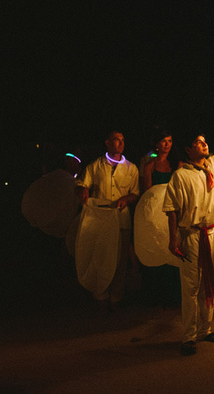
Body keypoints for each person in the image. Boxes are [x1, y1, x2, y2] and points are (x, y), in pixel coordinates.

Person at [163, 100, 214, 356]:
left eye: (204, 140)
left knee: (212, 283)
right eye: (198, 142)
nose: (204, 143)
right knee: (191, 287)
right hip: (191, 236)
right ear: (188, 150)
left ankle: (205, 329)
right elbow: (172, 209)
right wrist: (173, 239)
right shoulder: (180, 176)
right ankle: (189, 336)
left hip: (213, 233)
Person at [76, 130, 140, 311]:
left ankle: (116, 298)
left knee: (119, 261)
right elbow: (81, 183)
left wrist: (125, 199)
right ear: (107, 143)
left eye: (122, 140)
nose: (120, 143)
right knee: (101, 258)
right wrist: (83, 190)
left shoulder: (131, 168)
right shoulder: (95, 166)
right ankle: (101, 295)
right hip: (100, 221)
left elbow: (135, 192)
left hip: (121, 220)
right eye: (116, 140)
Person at [141, 129, 182, 307]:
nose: (167, 145)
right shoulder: (149, 166)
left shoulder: (177, 164)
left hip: (174, 211)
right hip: (157, 213)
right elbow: (148, 194)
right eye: (164, 141)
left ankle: (176, 295)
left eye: (170, 141)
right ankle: (157, 296)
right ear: (157, 144)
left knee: (175, 249)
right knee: (158, 246)